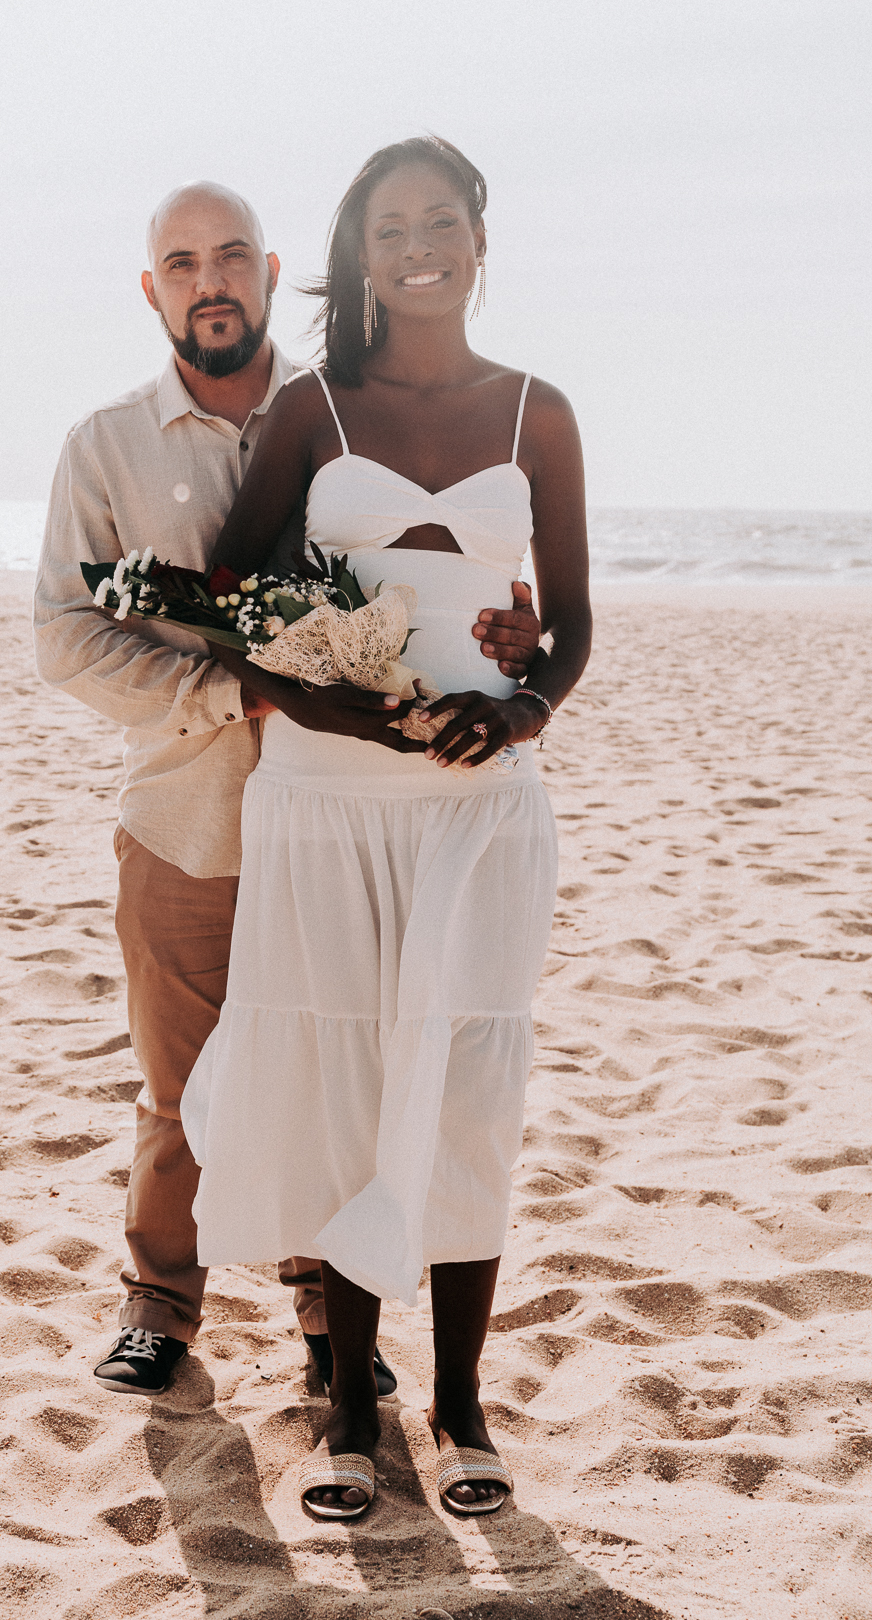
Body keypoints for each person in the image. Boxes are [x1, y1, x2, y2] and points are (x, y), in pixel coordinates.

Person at [33, 179, 542, 1398]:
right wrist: (249, 695)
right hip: (193, 816)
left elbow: (422, 573)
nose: (208, 282)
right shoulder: (105, 445)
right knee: (181, 1085)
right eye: (179, 263)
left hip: (351, 822)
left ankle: (328, 1315)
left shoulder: (349, 417)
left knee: (340, 1073)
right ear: (152, 288)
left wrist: (502, 638)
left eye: (227, 258)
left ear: (266, 271)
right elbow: (68, 639)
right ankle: (162, 1302)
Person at [180, 136, 592, 1519]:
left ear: (478, 231)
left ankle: (465, 1401)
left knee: (469, 1082)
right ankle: (353, 1405)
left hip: (483, 798)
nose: (415, 245)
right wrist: (337, 716)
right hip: (326, 796)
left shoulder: (539, 408)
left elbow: (573, 622)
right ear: (359, 253)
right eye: (387, 226)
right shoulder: (316, 408)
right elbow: (230, 603)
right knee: (349, 1086)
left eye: (437, 219)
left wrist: (524, 707)